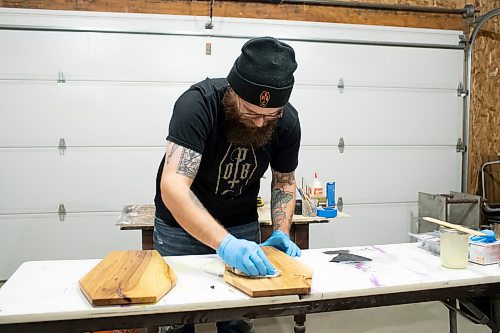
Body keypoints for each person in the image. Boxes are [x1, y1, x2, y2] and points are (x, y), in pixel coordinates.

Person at [154, 36, 301, 333]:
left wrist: (280, 232)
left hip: (241, 225)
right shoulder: (198, 104)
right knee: (177, 318)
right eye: (251, 113)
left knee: (237, 319)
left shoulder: (286, 121)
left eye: (270, 116)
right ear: (233, 91)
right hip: (180, 228)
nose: (261, 123)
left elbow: (283, 180)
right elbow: (173, 186)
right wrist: (224, 244)